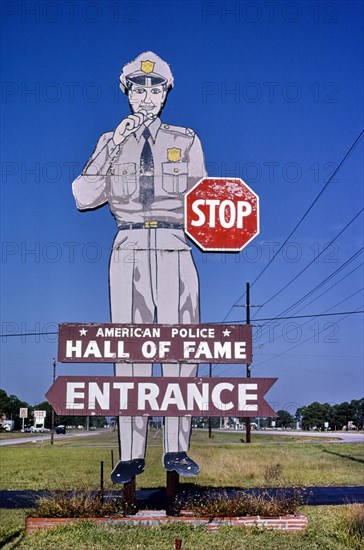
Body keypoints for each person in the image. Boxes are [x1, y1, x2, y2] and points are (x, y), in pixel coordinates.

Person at [72, 51, 206, 483]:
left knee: (180, 347)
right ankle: (130, 453)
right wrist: (112, 144)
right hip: (127, 244)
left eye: (155, 88)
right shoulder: (110, 141)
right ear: (126, 92)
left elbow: (203, 200)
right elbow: (83, 196)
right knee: (130, 350)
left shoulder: (185, 140)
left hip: (173, 243)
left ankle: (176, 448)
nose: (147, 95)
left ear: (166, 93)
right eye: (138, 87)